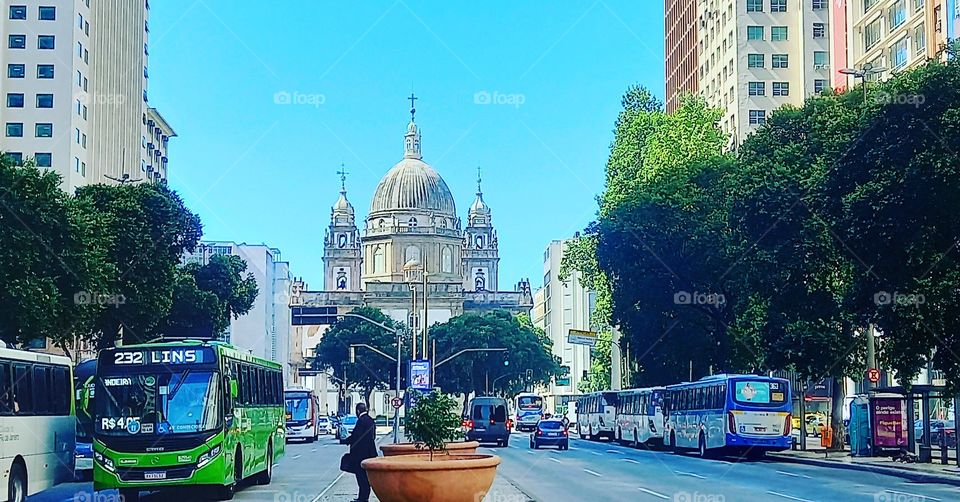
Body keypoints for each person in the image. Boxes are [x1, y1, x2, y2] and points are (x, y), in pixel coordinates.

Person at [344, 403, 377, 502]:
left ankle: (362, 498)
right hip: (370, 453)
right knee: (366, 477)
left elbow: (356, 436)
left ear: (358, 411)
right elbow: (373, 436)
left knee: (361, 477)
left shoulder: (361, 421)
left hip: (360, 454)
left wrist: (346, 441)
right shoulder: (371, 420)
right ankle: (364, 497)